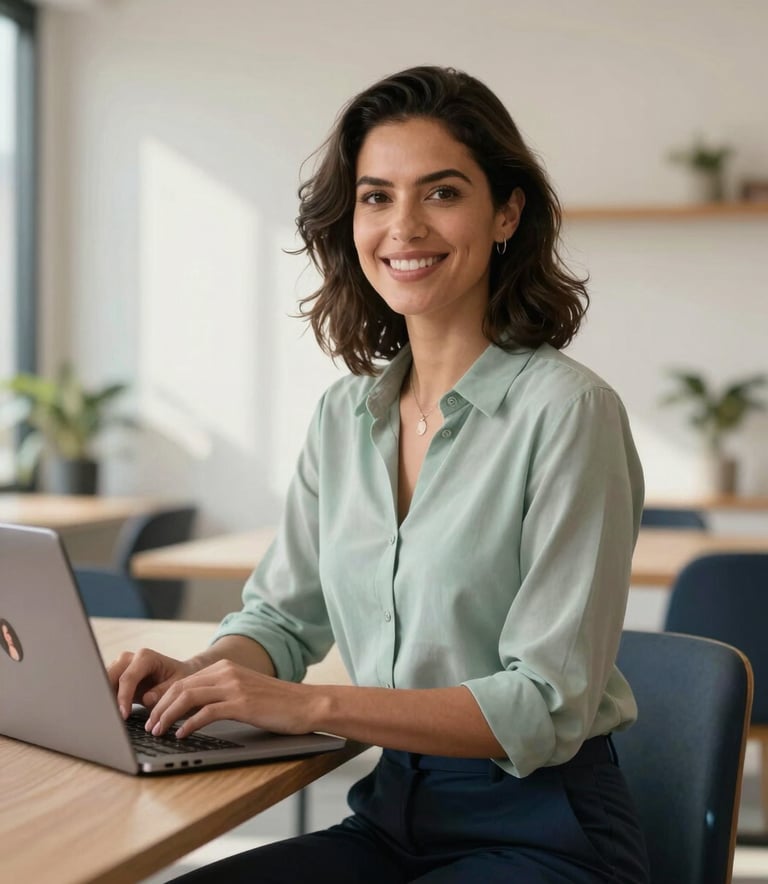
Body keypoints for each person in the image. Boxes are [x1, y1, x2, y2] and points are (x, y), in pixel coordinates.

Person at [110, 66, 651, 883]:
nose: (404, 226)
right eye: (375, 196)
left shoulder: (570, 413)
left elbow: (545, 702)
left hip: (545, 831)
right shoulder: (344, 415)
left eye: (441, 193)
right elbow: (282, 621)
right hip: (393, 813)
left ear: (506, 212)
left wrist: (310, 705)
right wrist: (204, 678)